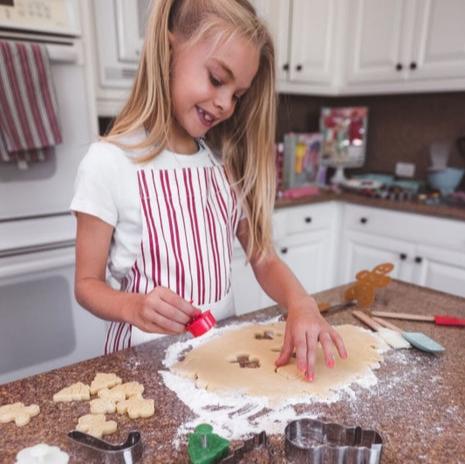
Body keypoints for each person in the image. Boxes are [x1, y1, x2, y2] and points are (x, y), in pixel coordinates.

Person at [71, 0, 347, 381]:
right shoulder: (109, 163)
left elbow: (263, 258)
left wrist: (301, 304)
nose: (224, 104)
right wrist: (134, 307)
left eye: (237, 94)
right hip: (142, 366)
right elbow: (87, 285)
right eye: (218, 79)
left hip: (219, 362)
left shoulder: (222, 166)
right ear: (168, 51)